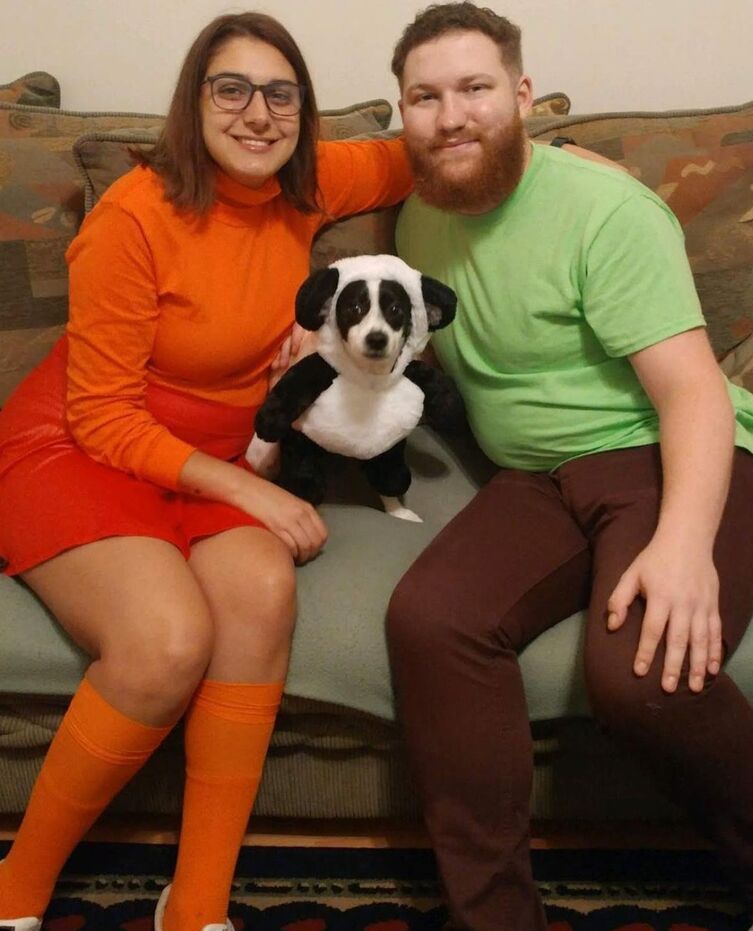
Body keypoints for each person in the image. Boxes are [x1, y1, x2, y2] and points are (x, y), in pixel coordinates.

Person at [0, 12, 413, 931]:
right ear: (195, 102)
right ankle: (11, 893)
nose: (258, 113)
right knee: (165, 643)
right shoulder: (134, 216)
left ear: (303, 112)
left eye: (281, 93)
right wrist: (247, 485)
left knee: (264, 591)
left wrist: (552, 155)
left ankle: (196, 908)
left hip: (209, 460)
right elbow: (101, 413)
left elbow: (411, 154)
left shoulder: (307, 184)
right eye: (232, 89)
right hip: (77, 446)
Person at [385, 4, 753, 931]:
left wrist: (682, 545)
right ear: (402, 115)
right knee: (429, 619)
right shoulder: (415, 224)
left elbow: (692, 396)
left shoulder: (605, 207)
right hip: (534, 479)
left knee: (641, 673)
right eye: (425, 97)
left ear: (521, 96)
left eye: (476, 88)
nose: (452, 116)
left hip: (661, 450)